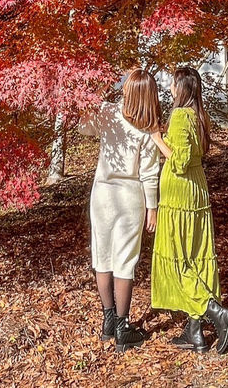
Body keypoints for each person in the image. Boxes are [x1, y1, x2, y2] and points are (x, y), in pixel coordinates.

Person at [150, 66, 228, 354]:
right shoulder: (200, 116)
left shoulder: (179, 116)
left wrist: (157, 139)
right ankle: (195, 332)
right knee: (195, 256)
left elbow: (179, 161)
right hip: (196, 190)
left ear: (182, 88)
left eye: (174, 83)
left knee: (180, 258)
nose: (171, 88)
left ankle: (218, 313)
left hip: (179, 195)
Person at [79, 68, 161, 352]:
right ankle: (123, 328)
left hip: (102, 194)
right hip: (130, 197)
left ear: (127, 90)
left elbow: (83, 126)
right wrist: (153, 207)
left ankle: (107, 320)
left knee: (102, 257)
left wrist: (92, 95)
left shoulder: (107, 112)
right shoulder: (148, 127)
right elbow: (150, 172)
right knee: (125, 260)